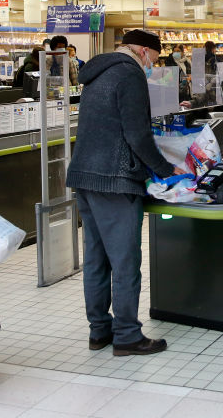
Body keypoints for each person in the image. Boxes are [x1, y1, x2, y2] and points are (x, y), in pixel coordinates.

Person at [66, 29, 185, 357]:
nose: (152, 66)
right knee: (124, 262)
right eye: (153, 60)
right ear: (143, 51)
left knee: (96, 258)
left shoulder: (97, 72)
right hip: (115, 180)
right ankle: (128, 335)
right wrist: (164, 168)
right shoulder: (130, 74)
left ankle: (99, 331)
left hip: (85, 175)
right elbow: (137, 134)